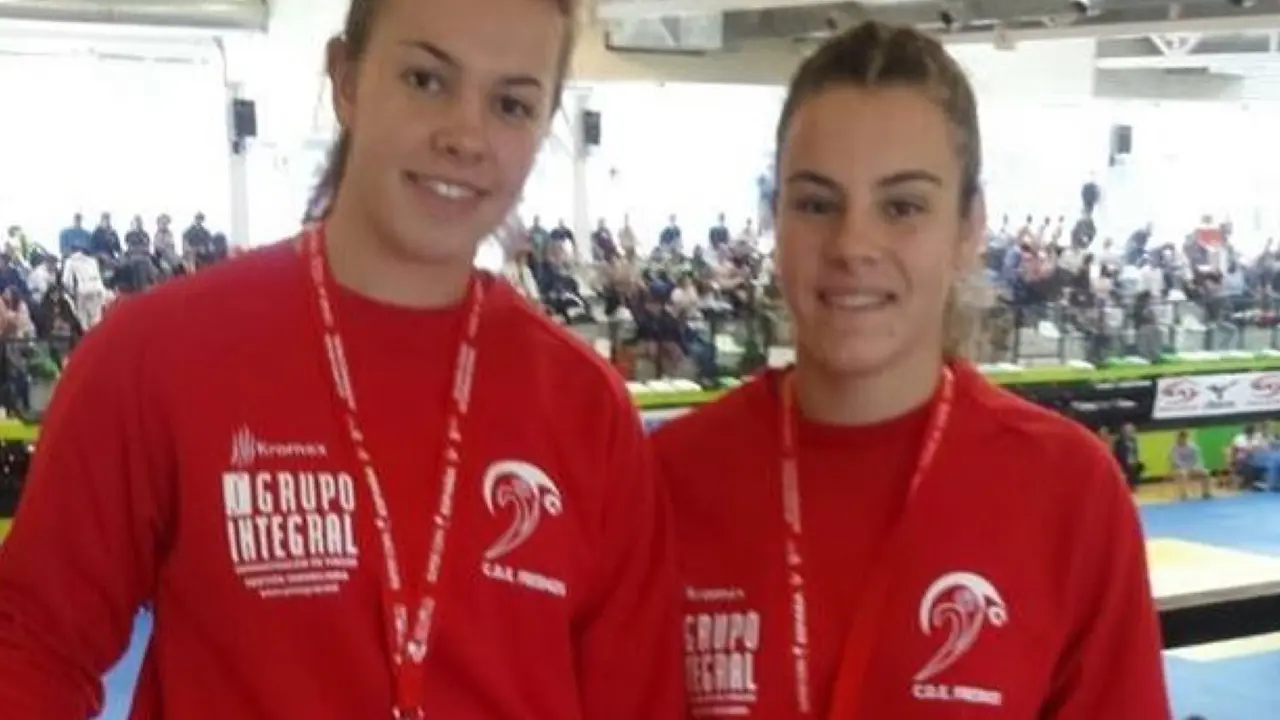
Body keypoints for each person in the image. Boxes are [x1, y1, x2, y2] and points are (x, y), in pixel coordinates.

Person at [0, 0, 683, 717]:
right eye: (425, 80)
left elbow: (636, 700)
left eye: (511, 104)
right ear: (347, 80)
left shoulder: (587, 410)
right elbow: (30, 645)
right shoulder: (158, 354)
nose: (465, 136)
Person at [653, 21, 1170, 719]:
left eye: (902, 207)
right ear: (774, 221)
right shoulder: (667, 480)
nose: (853, 244)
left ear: (968, 228)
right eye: (816, 204)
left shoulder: (1069, 495)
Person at [1170, 430, 1211, 501]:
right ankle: (1183, 495)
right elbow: (1176, 461)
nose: (1181, 439)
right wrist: (1186, 468)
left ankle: (1206, 493)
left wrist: (1196, 467)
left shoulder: (1193, 447)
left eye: (1183, 438)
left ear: (1186, 438)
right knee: (1182, 474)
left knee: (1205, 473)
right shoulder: (1174, 448)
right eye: (1179, 438)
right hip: (1182, 468)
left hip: (1194, 468)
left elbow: (1199, 459)